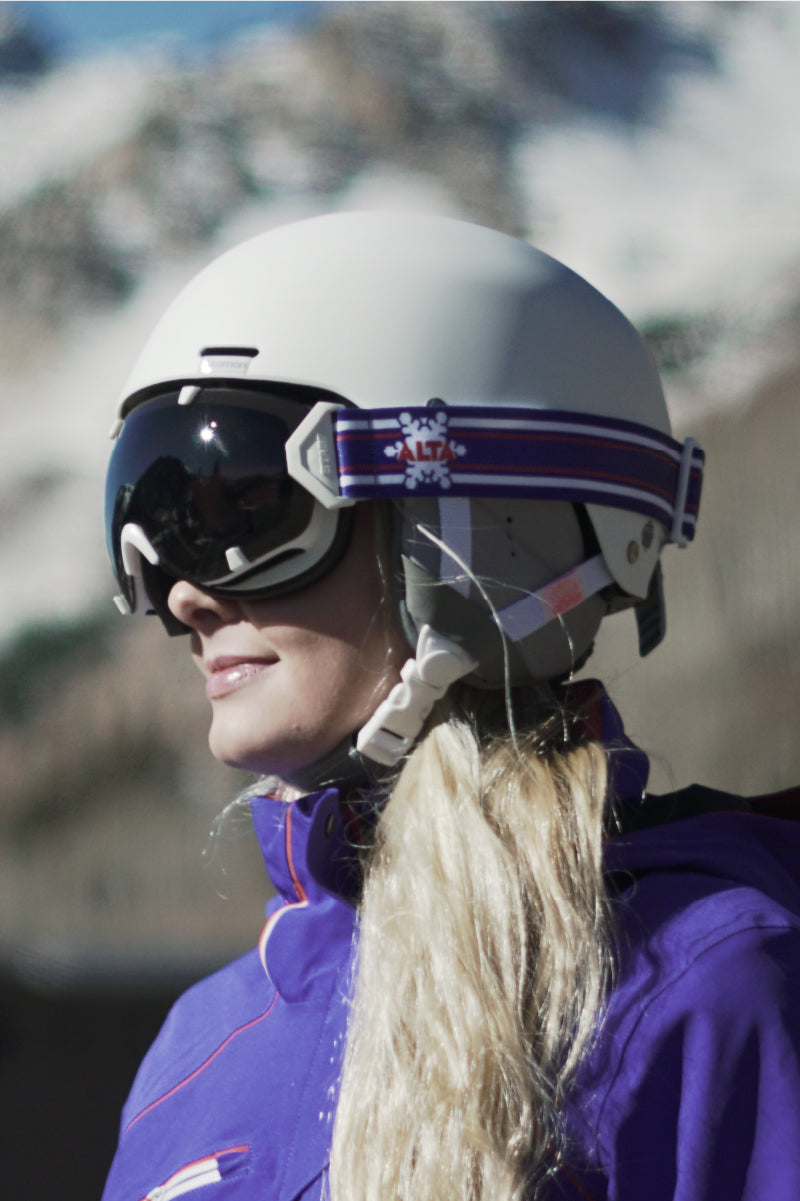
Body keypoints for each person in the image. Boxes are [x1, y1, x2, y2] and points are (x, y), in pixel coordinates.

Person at [101, 212, 800, 1201]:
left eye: (247, 509)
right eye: (147, 521)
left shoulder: (706, 983)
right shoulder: (198, 1049)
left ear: (480, 531)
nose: (179, 591)